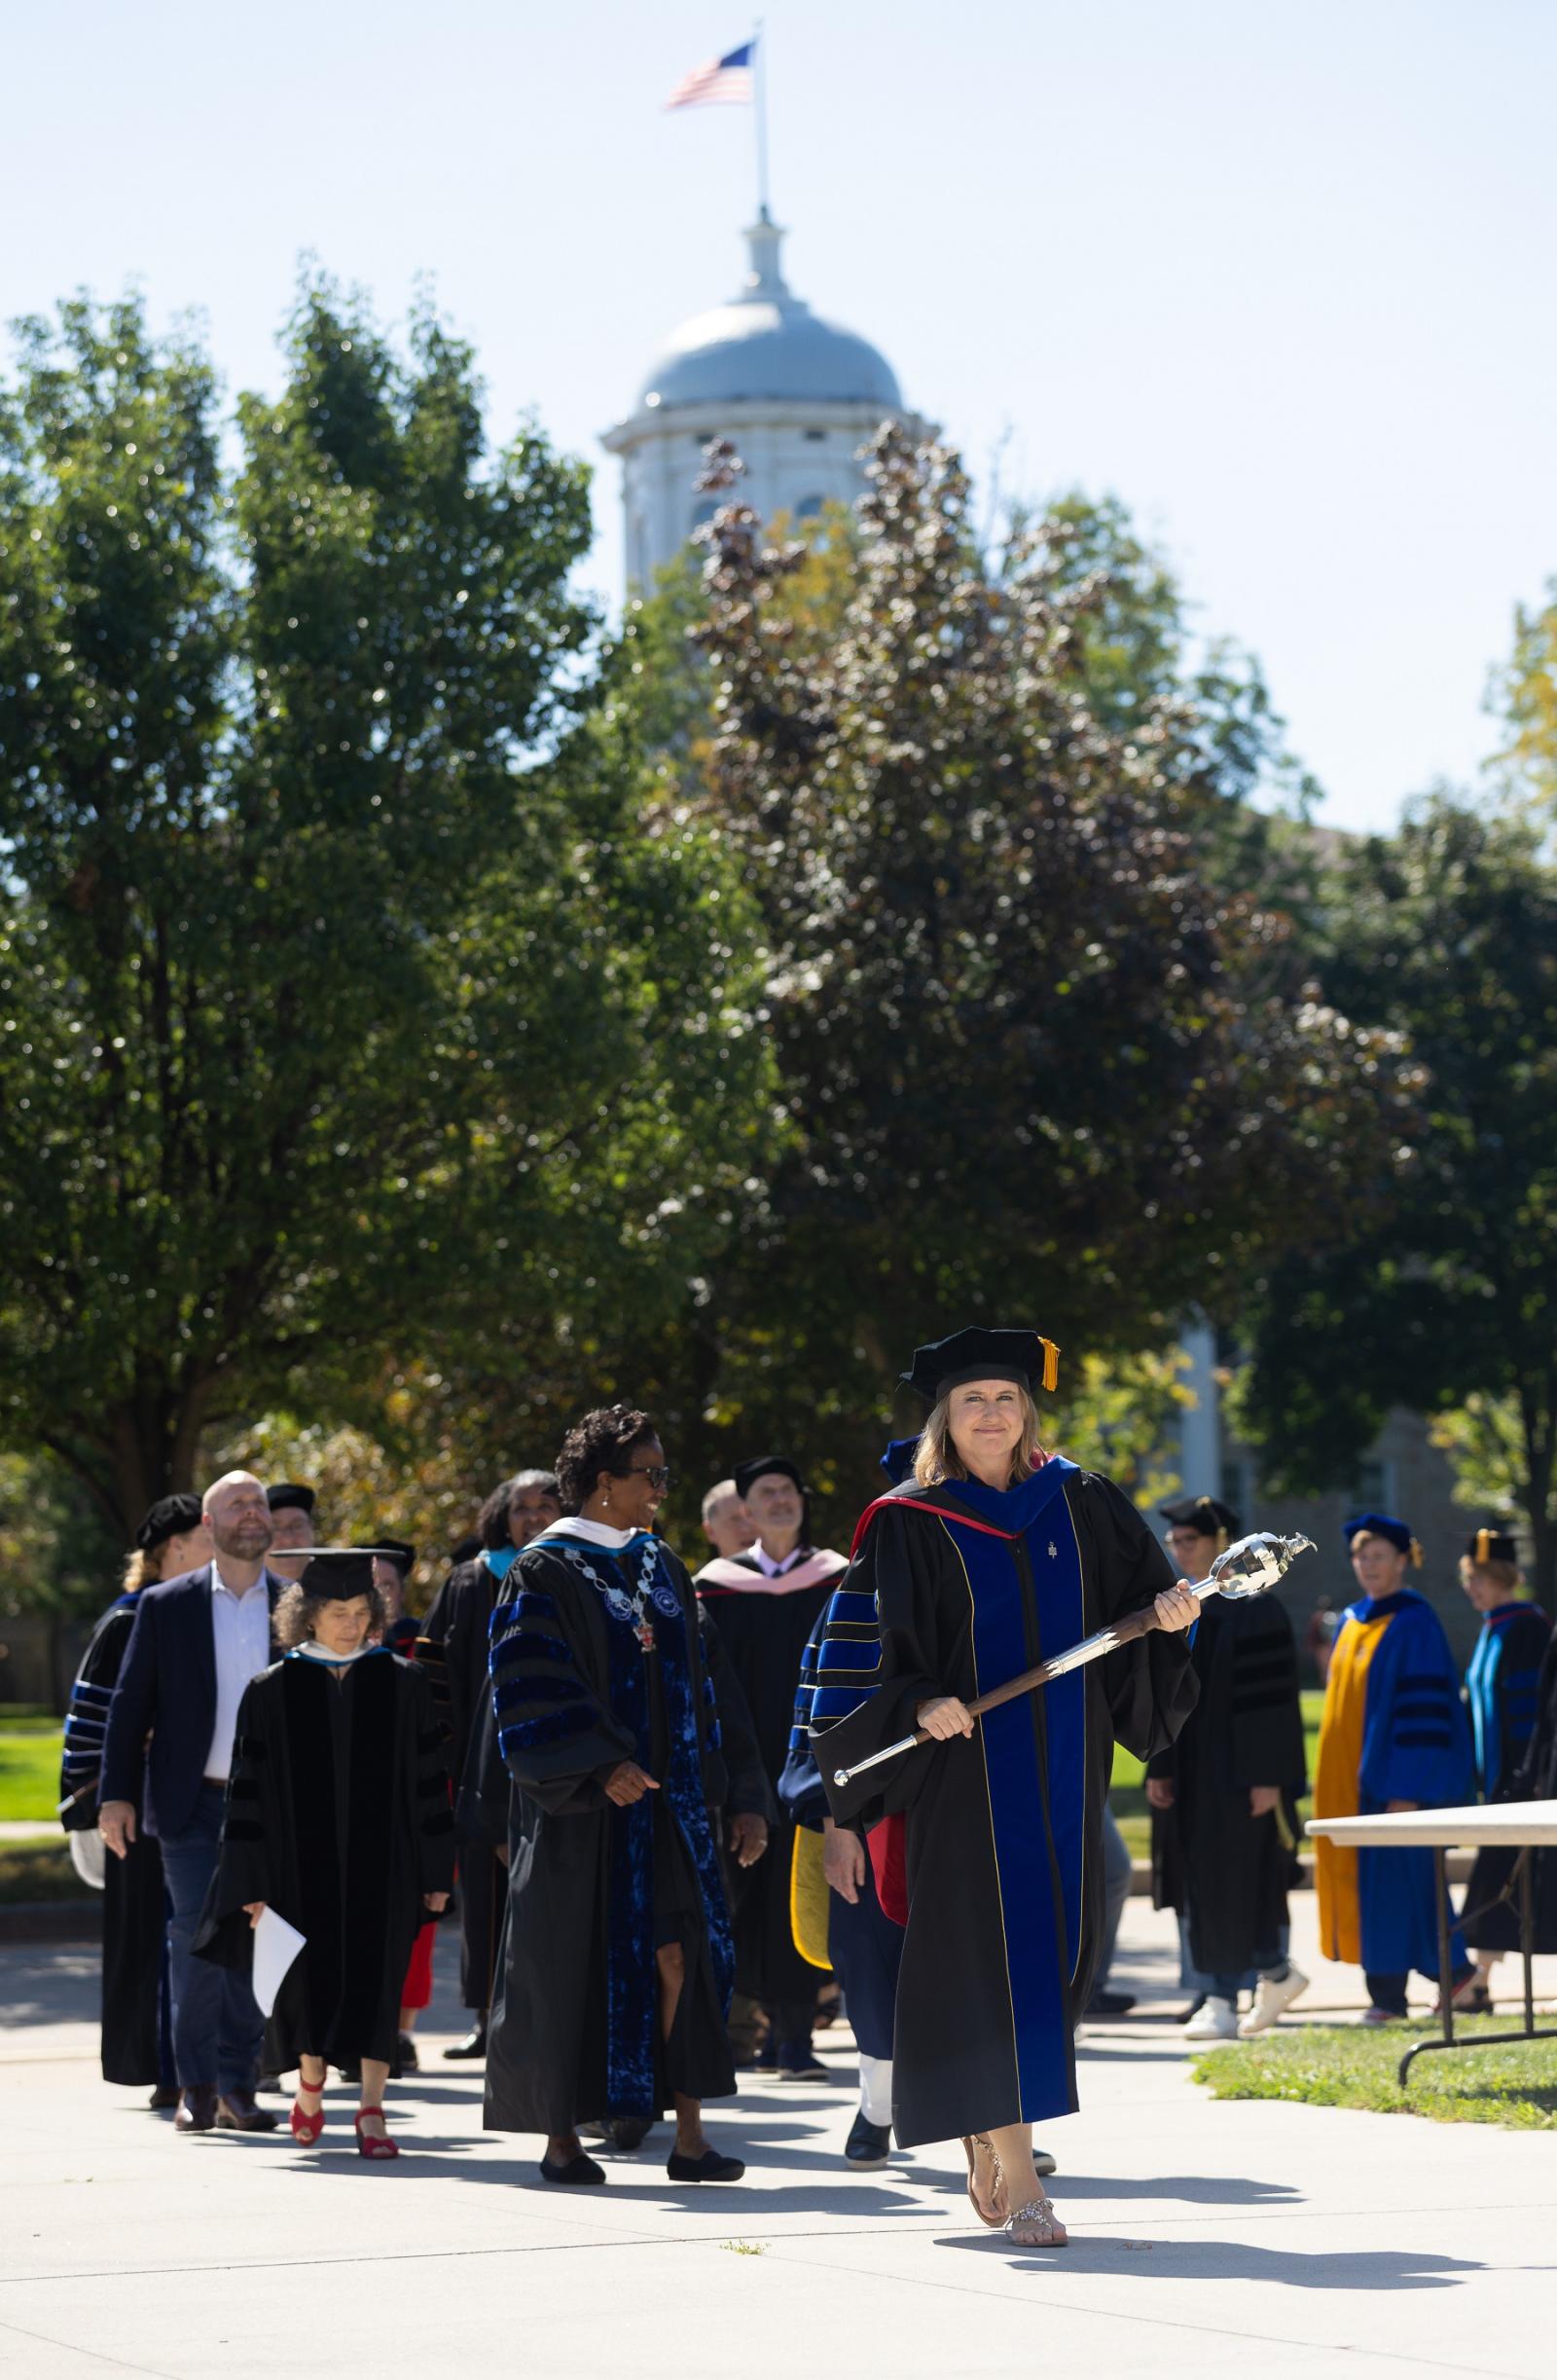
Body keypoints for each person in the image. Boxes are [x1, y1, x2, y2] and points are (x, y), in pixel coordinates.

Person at [818, 1328, 1199, 2250]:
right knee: (987, 1962)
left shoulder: (1081, 1501)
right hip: (963, 1780)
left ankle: (991, 2128)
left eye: (1005, 1396)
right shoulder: (907, 1520)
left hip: (1067, 1771)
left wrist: (1171, 1616)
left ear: (1028, 1408)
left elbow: (1135, 1616)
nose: (991, 1412)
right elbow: (862, 1661)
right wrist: (920, 1702)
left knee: (1053, 1959)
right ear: (944, 1418)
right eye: (971, 1400)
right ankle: (1020, 2169)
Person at [484, 1405, 770, 2186]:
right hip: (585, 1817)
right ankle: (563, 2139)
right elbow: (525, 1688)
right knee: (575, 1970)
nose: (660, 1488)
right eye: (650, 1474)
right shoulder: (542, 1571)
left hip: (671, 1812)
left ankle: (689, 2137)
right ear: (604, 1482)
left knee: (682, 1958)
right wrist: (597, 1760)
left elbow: (708, 1689)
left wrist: (742, 1793)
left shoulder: (662, 1565)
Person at [194, 1552, 454, 2158]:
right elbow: (246, 1792)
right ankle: (310, 2085)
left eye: (362, 1612)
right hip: (294, 1872)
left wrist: (436, 1872)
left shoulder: (402, 1681)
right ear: (307, 1616)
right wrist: (251, 1881)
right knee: (307, 1985)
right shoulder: (272, 1690)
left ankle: (371, 2109)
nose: (350, 1624)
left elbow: (427, 1784)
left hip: (384, 1868)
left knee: (376, 1982)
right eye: (338, 1612)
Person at [98, 1471, 287, 2132]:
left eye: (259, 1502)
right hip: (191, 1802)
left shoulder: (293, 1604)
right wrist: (115, 1793)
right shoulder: (166, 1604)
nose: (252, 1511)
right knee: (194, 1940)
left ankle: (241, 2081)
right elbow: (129, 1708)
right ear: (208, 1524)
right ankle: (196, 2085)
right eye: (236, 1502)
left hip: (270, 1809)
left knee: (256, 1941)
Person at [695, 1454, 849, 2081]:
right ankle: (741, 2034)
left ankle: (794, 2040)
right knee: (742, 1898)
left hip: (814, 1764)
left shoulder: (838, 1577)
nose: (780, 1500)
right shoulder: (717, 1585)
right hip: (742, 1767)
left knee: (801, 1897)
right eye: (766, 1493)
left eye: (789, 1489)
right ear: (746, 1511)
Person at [59, 1493, 211, 2105]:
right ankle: (160, 2066)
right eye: (204, 1538)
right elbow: (96, 1716)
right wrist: (101, 1795)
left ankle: (188, 2066)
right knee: (151, 1934)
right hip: (140, 1808)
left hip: (190, 1799)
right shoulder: (130, 1618)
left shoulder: (204, 1612)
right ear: (172, 1548)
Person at [1147, 1493, 1308, 2040]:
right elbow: (1163, 1693)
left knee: (1236, 1881)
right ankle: (1269, 1977)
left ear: (1221, 1544)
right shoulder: (1183, 1605)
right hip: (1193, 1768)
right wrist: (1159, 1766)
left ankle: (1222, 1996)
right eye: (1175, 1542)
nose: (1180, 1549)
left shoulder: (1256, 1606)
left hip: (1240, 1773)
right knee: (1206, 1879)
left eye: (1190, 1540)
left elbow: (1274, 1700)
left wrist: (1269, 1777)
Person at [416, 1469, 561, 2059]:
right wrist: (453, 1755)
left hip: (556, 1760)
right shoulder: (472, 1580)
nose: (532, 1517)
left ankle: (545, 2018)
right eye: (520, 1508)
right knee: (484, 1897)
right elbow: (432, 1675)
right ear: (501, 1517)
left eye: (544, 1505)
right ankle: (485, 2018)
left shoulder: (572, 1573)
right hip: (481, 1766)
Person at [1312, 1512, 1476, 2024]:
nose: (1369, 1565)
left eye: (1380, 1556)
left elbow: (1423, 1712)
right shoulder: (1353, 1619)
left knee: (1401, 1887)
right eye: (1362, 1556)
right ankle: (1421, 1984)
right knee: (1383, 1888)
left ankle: (1412, 1989)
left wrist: (1407, 1788)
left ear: (1404, 1560)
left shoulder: (1414, 1621)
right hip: (1349, 1785)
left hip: (1391, 1786)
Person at [1457, 1525, 1552, 2001]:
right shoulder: (1493, 1627)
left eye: (1483, 1577)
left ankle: (1477, 1984)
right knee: (1497, 1881)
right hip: (1498, 1785)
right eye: (1470, 1577)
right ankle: (1478, 1984)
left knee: (1502, 1881)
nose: (1474, 1586)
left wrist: (1523, 1779)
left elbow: (1532, 1713)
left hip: (1522, 1784)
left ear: (1505, 1576)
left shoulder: (1527, 1627)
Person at [265, 1483, 317, 1582]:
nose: (288, 1539)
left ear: (311, 1529)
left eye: (297, 1526)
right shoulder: (237, 1592)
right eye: (276, 1528)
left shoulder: (340, 1588)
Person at [701, 1480, 758, 1561]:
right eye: (734, 1519)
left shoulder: (780, 1572)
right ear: (710, 1531)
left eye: (751, 1515)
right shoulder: (707, 1574)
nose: (747, 1528)